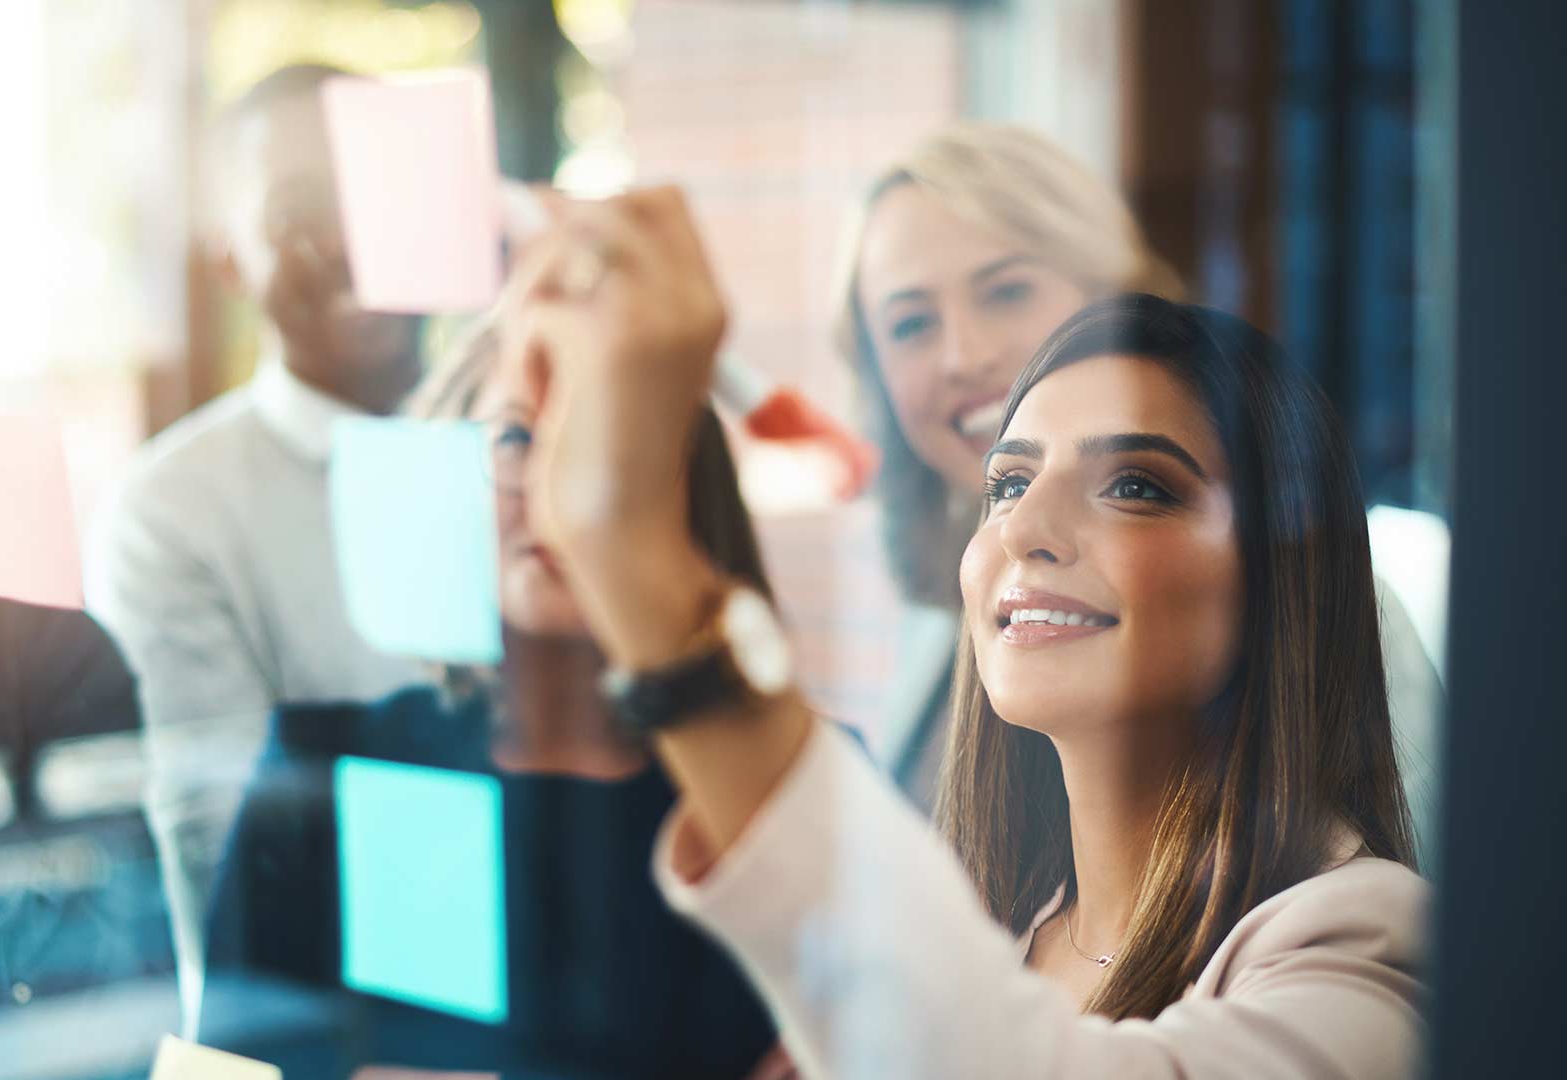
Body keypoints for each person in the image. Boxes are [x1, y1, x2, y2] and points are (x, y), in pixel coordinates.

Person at [502, 188, 1426, 1076]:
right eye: (1010, 485)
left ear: (1284, 578)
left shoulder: (1371, 948)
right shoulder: (1002, 933)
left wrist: (633, 551)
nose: (1020, 531)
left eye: (1136, 485)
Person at [835, 124, 1443, 853]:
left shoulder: (1310, 596)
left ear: (1117, 296)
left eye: (1006, 292)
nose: (963, 354)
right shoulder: (952, 609)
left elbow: (1428, 923)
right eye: (911, 324)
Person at [198, 324, 779, 1079]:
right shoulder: (330, 774)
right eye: (514, 440)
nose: (557, 489)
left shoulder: (773, 792)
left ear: (687, 492)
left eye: (607, 440)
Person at [83, 64, 428, 1032]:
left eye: (378, 188)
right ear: (229, 259)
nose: (350, 234)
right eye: (293, 213)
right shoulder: (171, 513)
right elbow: (232, 881)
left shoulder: (527, 450)